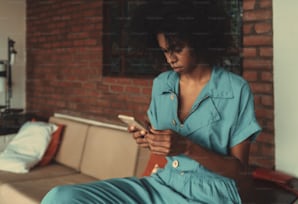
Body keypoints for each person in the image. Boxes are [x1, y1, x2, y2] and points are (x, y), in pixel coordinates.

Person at [41, 1, 261, 203]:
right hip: (162, 184)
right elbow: (162, 145)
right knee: (61, 197)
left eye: (177, 49)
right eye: (165, 51)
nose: (170, 58)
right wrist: (149, 139)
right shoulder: (162, 84)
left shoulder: (235, 89)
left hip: (210, 195)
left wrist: (187, 147)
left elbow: (239, 171)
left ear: (200, 39)